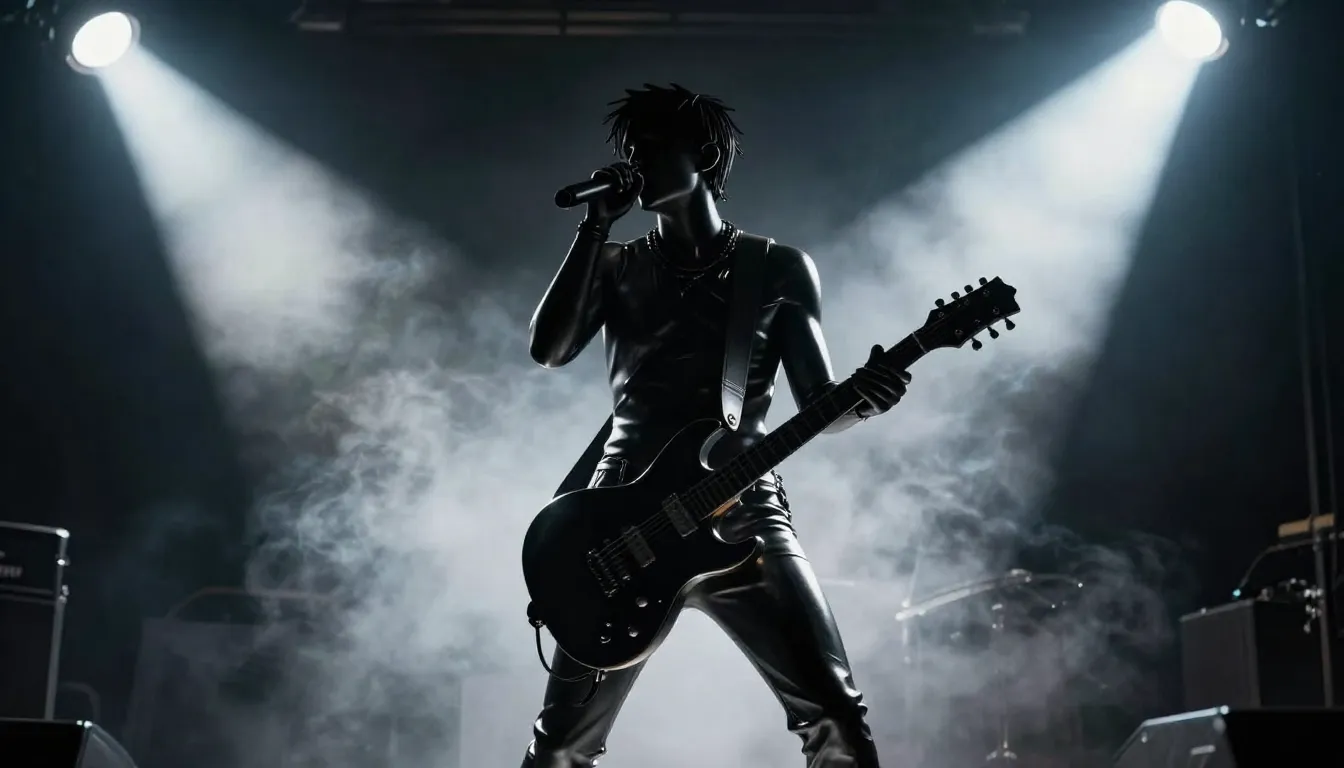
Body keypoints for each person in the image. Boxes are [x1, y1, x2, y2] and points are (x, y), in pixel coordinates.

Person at [523, 83, 911, 768]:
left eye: (650, 148)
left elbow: (820, 404)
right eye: (629, 150)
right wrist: (594, 227)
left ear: (702, 156)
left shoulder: (778, 269)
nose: (635, 163)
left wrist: (869, 400)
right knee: (559, 747)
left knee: (835, 717)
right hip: (619, 522)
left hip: (742, 511)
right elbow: (549, 350)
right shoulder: (615, 264)